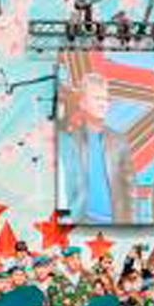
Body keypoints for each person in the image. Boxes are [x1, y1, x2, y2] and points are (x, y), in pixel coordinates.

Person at [58, 70, 133, 224]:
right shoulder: (70, 141)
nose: (103, 103)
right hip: (82, 222)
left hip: (115, 223)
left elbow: (130, 190)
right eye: (97, 98)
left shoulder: (120, 142)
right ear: (82, 103)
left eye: (106, 99)